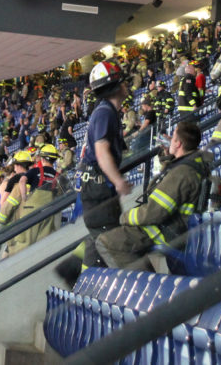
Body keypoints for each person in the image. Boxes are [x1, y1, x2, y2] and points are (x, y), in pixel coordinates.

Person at [55, 61, 131, 287]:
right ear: (115, 86)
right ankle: (85, 285)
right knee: (107, 236)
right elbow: (101, 150)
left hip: (95, 187)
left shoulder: (106, 112)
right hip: (98, 188)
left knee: (101, 232)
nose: (127, 84)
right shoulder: (105, 113)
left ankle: (71, 270)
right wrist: (118, 181)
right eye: (122, 80)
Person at [95, 121, 211, 270]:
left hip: (166, 231)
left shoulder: (182, 173)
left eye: (173, 138)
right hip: (174, 226)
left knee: (106, 242)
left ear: (178, 143)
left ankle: (145, 287)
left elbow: (153, 212)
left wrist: (125, 217)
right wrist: (167, 161)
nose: (169, 140)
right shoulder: (192, 164)